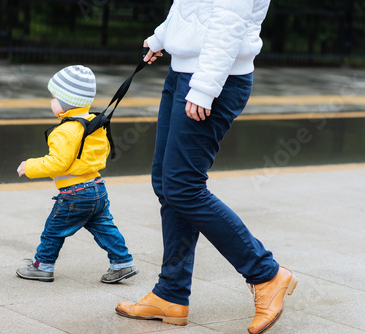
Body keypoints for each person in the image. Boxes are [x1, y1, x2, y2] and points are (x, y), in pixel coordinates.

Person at [115, 1, 297, 333]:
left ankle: (266, 274)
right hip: (184, 73)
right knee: (167, 184)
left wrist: (205, 86)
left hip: (214, 79)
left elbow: (228, 21)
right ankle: (170, 293)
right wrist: (162, 37)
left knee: (184, 187)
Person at [16, 65, 138, 284]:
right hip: (97, 187)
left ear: (66, 103)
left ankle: (42, 266)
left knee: (53, 230)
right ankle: (122, 262)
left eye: (53, 98)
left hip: (75, 193)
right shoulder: (94, 124)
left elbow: (57, 164)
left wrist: (30, 166)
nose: (50, 102)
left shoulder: (65, 131)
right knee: (105, 227)